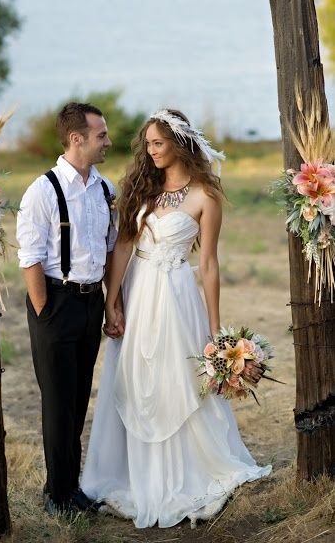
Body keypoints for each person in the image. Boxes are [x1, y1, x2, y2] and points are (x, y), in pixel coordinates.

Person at [81, 109, 271, 528]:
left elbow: (208, 265)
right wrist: (112, 302)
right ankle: (136, 471)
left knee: (176, 378)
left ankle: (190, 469)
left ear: (180, 143)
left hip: (176, 296)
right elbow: (124, 247)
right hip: (137, 290)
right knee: (134, 378)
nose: (151, 152)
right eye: (147, 144)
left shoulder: (206, 196)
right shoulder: (140, 189)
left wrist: (216, 330)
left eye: (158, 144)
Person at [16, 102, 117, 515]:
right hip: (56, 304)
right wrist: (44, 311)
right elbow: (30, 257)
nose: (108, 141)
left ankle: (66, 486)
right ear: (77, 139)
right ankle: (59, 496)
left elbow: (109, 251)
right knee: (58, 403)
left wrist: (110, 304)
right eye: (101, 135)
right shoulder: (43, 190)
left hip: (92, 304)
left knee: (76, 401)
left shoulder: (105, 188)